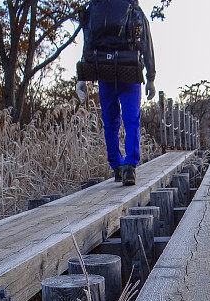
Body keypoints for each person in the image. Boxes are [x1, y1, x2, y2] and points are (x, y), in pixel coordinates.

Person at [76, 0, 156, 186]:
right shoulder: (133, 8)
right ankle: (130, 166)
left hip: (103, 68)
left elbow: (88, 41)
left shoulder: (95, 7)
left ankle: (116, 166)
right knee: (131, 119)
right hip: (129, 68)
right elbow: (146, 43)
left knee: (110, 121)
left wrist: (82, 77)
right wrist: (150, 77)